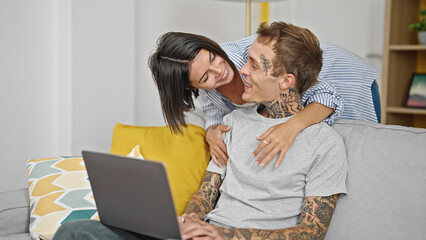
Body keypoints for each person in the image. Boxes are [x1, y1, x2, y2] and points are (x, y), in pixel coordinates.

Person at [52, 21, 347, 240]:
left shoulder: (324, 143)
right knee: (75, 231)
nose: (240, 69)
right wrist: (190, 217)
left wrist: (225, 235)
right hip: (203, 235)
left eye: (254, 65)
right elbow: (208, 190)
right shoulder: (232, 122)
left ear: (286, 81)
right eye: (246, 60)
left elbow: (311, 233)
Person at [149, 24, 377, 169]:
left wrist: (291, 126)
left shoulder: (248, 59)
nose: (219, 70)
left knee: (357, 149)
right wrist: (211, 131)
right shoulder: (209, 93)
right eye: (205, 76)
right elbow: (214, 113)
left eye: (212, 57)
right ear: (191, 87)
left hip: (343, 74)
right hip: (313, 84)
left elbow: (327, 96)